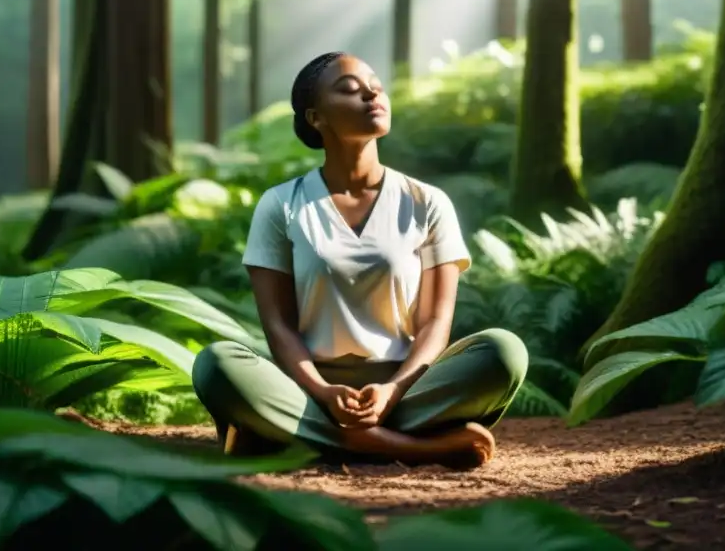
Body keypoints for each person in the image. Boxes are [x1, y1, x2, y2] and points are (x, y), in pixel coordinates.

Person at [191, 52, 528, 468]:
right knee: (216, 364)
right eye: (350, 89)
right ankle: (414, 447)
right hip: (310, 388)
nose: (371, 93)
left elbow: (435, 323)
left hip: (406, 388)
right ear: (317, 118)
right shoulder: (281, 204)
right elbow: (278, 325)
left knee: (503, 352)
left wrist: (392, 391)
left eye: (375, 85)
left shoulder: (427, 203)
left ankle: (287, 438)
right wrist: (322, 392)